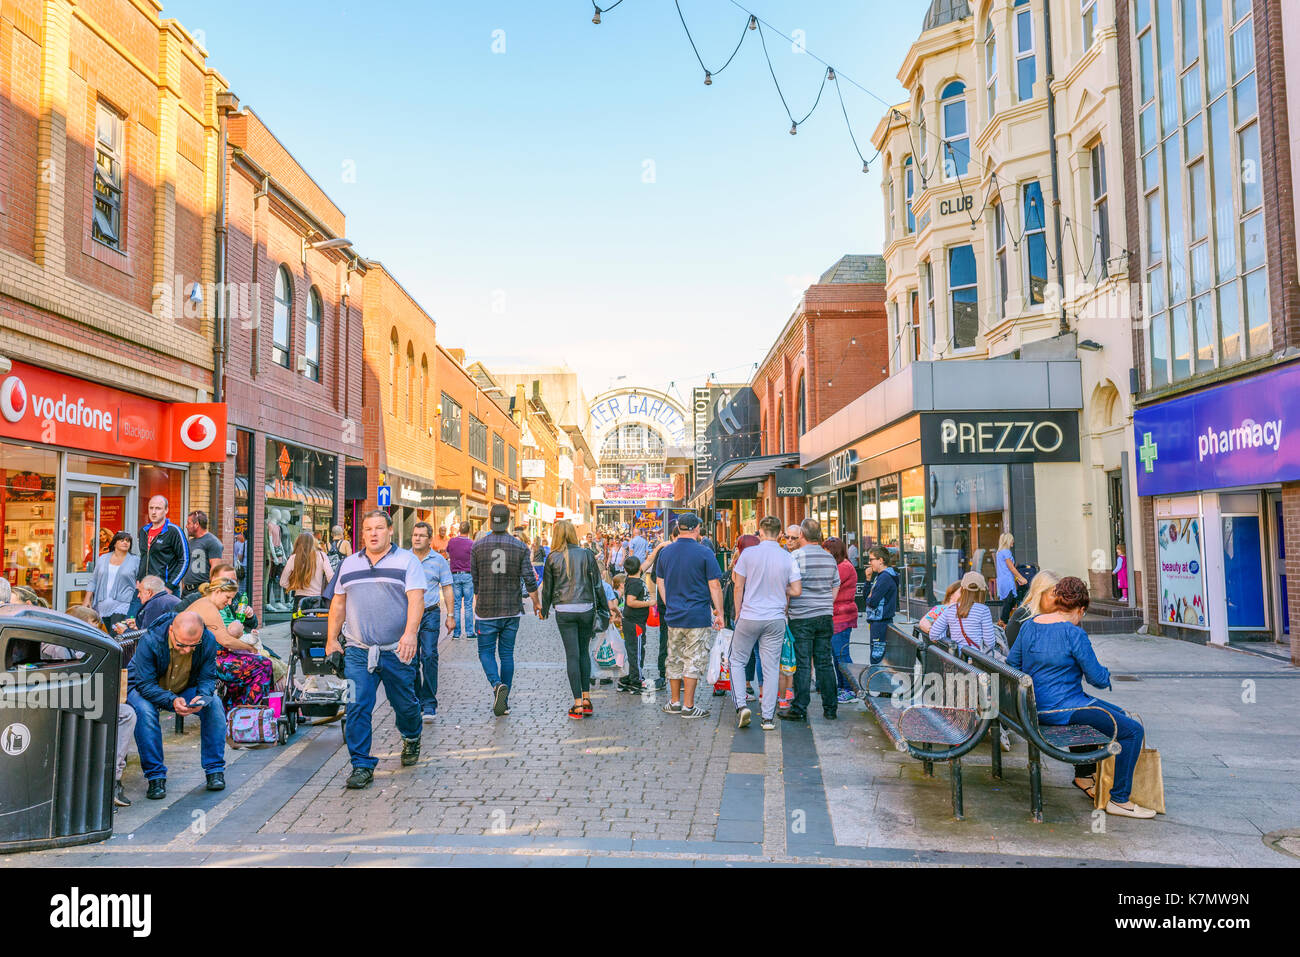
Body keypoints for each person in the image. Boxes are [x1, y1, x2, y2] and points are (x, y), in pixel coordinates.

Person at [1008, 576, 1154, 819]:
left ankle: (1088, 775)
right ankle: (1119, 799)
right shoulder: (1073, 633)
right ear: (1080, 609)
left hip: (1033, 708)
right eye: (1082, 614)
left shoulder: (1030, 625)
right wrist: (1106, 674)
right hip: (1063, 710)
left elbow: (1013, 664)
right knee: (1133, 730)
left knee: (1119, 714)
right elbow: (1097, 678)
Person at [325, 509, 427, 790]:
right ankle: (360, 764)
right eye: (368, 529)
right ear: (362, 533)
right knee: (356, 705)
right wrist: (332, 640)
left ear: (390, 531)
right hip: (358, 650)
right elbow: (338, 604)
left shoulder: (407, 561)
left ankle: (411, 735)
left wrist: (410, 634)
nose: (373, 533)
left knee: (404, 705)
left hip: (398, 650)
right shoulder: (348, 565)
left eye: (379, 528)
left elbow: (416, 600)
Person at [127, 610, 225, 799]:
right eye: (181, 644)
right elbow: (145, 684)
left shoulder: (208, 639)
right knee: (145, 712)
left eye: (193, 645)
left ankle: (215, 771)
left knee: (214, 705)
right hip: (145, 689)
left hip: (184, 687)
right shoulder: (151, 640)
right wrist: (171, 700)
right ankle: (156, 777)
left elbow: (207, 677)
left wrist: (202, 696)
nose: (187, 650)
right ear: (171, 631)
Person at [728, 516, 801, 731]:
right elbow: (796, 590)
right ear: (780, 534)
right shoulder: (788, 557)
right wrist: (779, 588)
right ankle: (768, 717)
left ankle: (741, 705)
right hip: (776, 618)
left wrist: (739, 613)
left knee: (737, 660)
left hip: (750, 614)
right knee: (770, 668)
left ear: (759, 531)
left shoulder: (748, 554)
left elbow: (738, 586)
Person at [472, 504, 541, 717]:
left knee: (485, 652)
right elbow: (530, 579)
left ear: (490, 520)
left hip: (486, 609)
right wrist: (537, 603)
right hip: (511, 609)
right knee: (507, 654)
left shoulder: (478, 546)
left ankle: (496, 685)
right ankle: (505, 700)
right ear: (509, 521)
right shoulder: (520, 547)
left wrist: (476, 601)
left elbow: (475, 581)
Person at [653, 512, 723, 719]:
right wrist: (718, 612)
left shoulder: (666, 552)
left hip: (674, 615)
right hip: (697, 615)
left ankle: (674, 701)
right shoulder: (704, 553)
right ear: (696, 529)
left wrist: (669, 603)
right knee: (693, 658)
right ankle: (688, 706)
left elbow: (660, 582)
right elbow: (715, 585)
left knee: (674, 658)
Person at [66, 604, 137, 807]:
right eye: (89, 627)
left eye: (95, 629)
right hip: (70, 702)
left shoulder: (93, 644)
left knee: (128, 713)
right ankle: (106, 781)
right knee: (123, 714)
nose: (93, 633)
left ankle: (113, 778)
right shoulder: (61, 644)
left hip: (93, 699)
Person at [541, 520, 605, 719]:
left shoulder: (552, 557)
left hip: (564, 609)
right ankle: (586, 699)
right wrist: (604, 607)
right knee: (583, 652)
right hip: (586, 607)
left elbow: (548, 588)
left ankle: (577, 703)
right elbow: (597, 584)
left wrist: (543, 610)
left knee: (572, 655)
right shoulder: (586, 554)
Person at [784, 519, 840, 722]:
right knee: (825, 662)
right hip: (825, 615)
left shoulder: (796, 556)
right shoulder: (829, 558)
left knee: (803, 663)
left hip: (802, 617)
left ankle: (799, 708)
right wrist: (826, 602)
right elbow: (836, 585)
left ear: (802, 536)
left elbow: (790, 586)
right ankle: (830, 707)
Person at [189, 579, 275, 706]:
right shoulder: (208, 607)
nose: (229, 602)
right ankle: (246, 710)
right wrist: (251, 649)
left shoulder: (205, 604)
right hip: (206, 662)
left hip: (207, 658)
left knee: (254, 662)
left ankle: (233, 708)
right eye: (228, 597)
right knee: (264, 664)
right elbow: (226, 641)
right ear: (218, 591)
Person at [410, 521, 454, 721]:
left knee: (429, 655)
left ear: (429, 540)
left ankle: (429, 703)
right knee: (410, 659)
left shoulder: (439, 560)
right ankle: (415, 700)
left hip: (430, 613)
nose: (417, 538)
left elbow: (447, 587)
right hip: (408, 615)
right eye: (414, 535)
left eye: (421, 535)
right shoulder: (404, 559)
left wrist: (451, 615)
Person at [929, 571, 999, 654]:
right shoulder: (983, 610)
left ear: (962, 589)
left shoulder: (950, 609)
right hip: (976, 660)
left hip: (957, 660)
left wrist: (951, 643)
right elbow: (990, 643)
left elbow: (933, 634)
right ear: (982, 592)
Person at [824, 536, 858, 705]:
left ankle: (851, 689)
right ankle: (843, 686)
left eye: (826, 551)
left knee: (841, 653)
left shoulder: (844, 567)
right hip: (836, 615)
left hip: (842, 616)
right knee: (836, 654)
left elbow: (827, 583)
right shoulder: (839, 565)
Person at [134, 495, 188, 597]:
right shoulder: (143, 531)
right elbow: (144, 558)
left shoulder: (174, 531)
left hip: (163, 588)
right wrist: (138, 579)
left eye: (158, 508)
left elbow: (184, 560)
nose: (153, 512)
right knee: (133, 613)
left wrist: (170, 586)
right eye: (151, 508)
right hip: (143, 588)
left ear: (166, 510)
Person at [87, 531, 139, 631]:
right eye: (122, 540)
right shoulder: (103, 558)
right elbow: (94, 580)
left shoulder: (135, 560)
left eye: (128, 541)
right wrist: (87, 599)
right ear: (114, 543)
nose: (125, 542)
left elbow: (139, 582)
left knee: (116, 634)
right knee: (113, 636)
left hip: (123, 605)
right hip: (103, 605)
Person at [616, 554, 654, 693]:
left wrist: (661, 546)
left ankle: (628, 679)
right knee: (636, 652)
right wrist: (649, 603)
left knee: (635, 651)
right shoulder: (635, 583)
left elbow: (649, 561)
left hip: (634, 622)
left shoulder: (631, 579)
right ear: (638, 568)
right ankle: (636, 682)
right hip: (634, 623)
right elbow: (631, 602)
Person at [1004, 569, 1061, 648]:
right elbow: (1013, 652)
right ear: (1040, 593)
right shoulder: (1022, 615)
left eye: (1060, 595)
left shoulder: (1058, 615)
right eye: (1054, 595)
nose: (1058, 599)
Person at [863, 546, 899, 664]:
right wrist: (868, 579)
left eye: (871, 559)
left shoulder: (885, 578)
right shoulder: (881, 576)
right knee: (877, 655)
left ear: (881, 560)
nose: (869, 562)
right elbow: (867, 597)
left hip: (881, 623)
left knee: (877, 658)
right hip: (878, 622)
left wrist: (870, 598)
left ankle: (876, 681)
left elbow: (872, 602)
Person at [280, 530, 331, 611]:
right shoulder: (322, 556)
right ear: (312, 542)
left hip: (299, 600)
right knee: (315, 623)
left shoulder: (294, 558)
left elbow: (283, 582)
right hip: (317, 600)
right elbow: (330, 576)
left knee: (298, 623)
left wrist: (295, 586)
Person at [181, 510, 224, 598]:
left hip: (202, 591)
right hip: (186, 591)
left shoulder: (213, 542)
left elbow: (215, 571)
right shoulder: (189, 542)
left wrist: (210, 593)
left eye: (188, 523)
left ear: (196, 524)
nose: (186, 526)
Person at [446, 521, 475, 639]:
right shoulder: (471, 543)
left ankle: (456, 633)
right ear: (469, 530)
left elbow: (448, 553)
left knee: (456, 605)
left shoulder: (452, 541)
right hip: (468, 575)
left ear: (459, 530)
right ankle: (469, 633)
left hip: (455, 575)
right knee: (468, 605)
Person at [995, 532, 1029, 626]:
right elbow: (1011, 568)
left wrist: (1017, 579)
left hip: (1003, 580)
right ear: (1008, 541)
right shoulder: (1006, 552)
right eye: (1012, 540)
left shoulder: (999, 553)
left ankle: (1005, 622)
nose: (1013, 542)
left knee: (1011, 601)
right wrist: (1021, 578)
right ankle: (1003, 622)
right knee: (1009, 602)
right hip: (1007, 581)